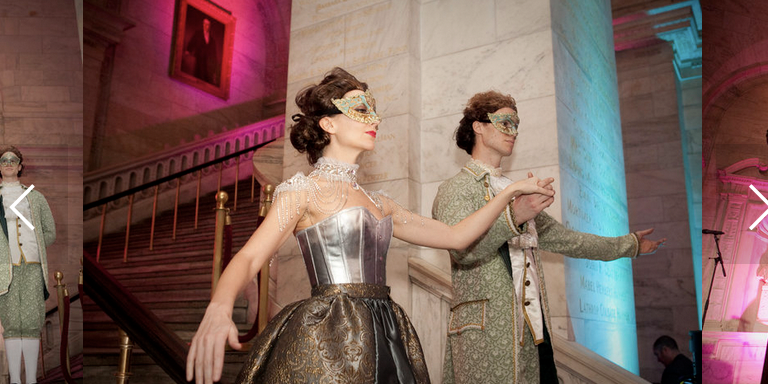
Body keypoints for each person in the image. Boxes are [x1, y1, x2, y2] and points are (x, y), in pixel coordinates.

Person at [185, 68, 555, 384]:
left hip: (385, 332)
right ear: (328, 123)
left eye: (374, 111)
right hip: (326, 337)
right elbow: (250, 258)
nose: (374, 120)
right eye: (361, 110)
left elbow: (456, 236)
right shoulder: (302, 191)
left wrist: (509, 196)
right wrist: (219, 307)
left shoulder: (381, 204)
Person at [432, 91, 666, 384]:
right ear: (478, 126)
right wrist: (515, 216)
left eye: (516, 124)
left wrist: (629, 244)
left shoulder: (515, 188)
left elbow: (566, 239)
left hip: (533, 331)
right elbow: (462, 251)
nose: (513, 131)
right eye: (505, 122)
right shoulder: (456, 189)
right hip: (486, 333)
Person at [0, 146, 57, 384]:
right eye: (4, 160)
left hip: (33, 266)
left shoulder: (35, 197)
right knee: (12, 322)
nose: (9, 163)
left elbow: (50, 232)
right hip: (5, 268)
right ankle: (15, 380)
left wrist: (34, 240)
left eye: (14, 160)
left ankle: (31, 380)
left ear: (21, 166)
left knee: (32, 322)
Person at [184, 18, 220, 85]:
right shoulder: (198, 34)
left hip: (207, 62)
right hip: (199, 59)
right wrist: (188, 50)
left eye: (207, 24)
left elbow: (214, 53)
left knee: (206, 79)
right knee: (197, 76)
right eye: (204, 23)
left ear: (209, 26)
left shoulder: (212, 40)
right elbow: (192, 42)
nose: (205, 25)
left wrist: (214, 65)